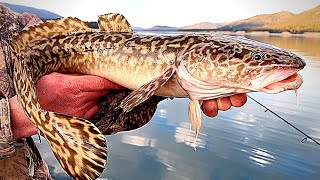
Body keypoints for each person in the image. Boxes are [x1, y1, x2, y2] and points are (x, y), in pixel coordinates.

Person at [0, 4, 247, 179]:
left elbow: (104, 112)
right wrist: (15, 118)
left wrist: (160, 87)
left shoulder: (15, 28)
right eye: (255, 58)